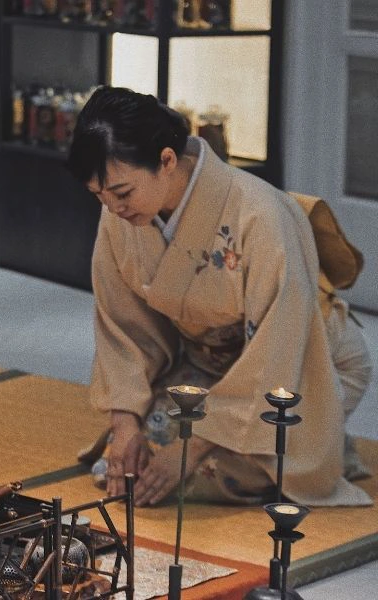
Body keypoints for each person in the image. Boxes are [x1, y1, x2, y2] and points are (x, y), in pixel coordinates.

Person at [66, 86, 373, 507]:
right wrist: (125, 425)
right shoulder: (120, 211)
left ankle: (324, 434)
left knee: (217, 472)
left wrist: (191, 450)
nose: (113, 208)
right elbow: (123, 326)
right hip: (210, 366)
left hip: (306, 364)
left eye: (121, 193)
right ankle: (313, 438)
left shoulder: (260, 214)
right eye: (99, 196)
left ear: (167, 161)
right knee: (130, 460)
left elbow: (278, 351)